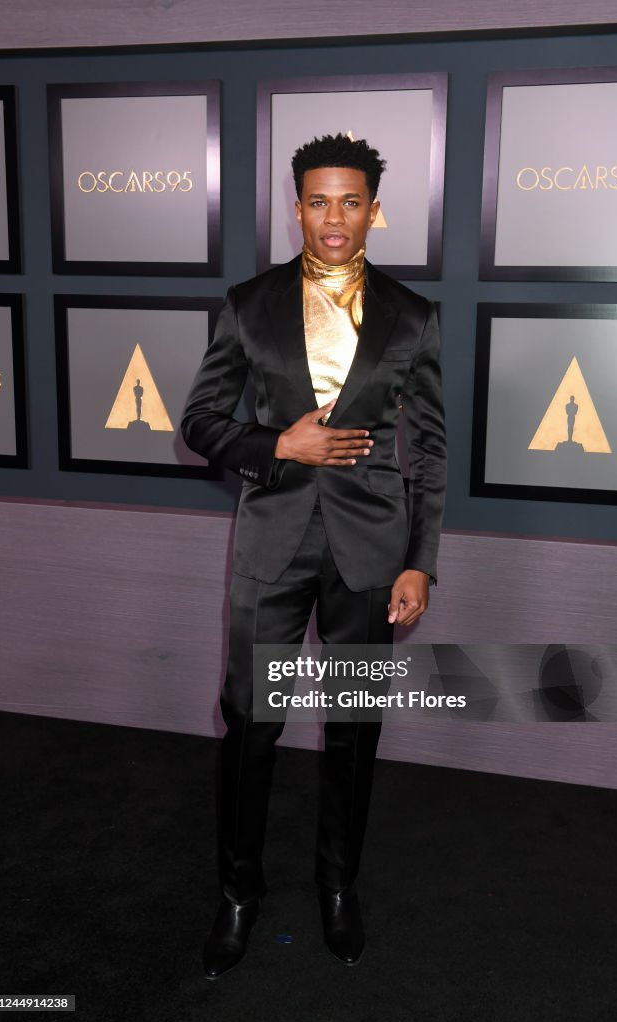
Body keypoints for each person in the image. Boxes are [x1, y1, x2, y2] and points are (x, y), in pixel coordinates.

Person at [181, 133, 447, 979]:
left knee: (353, 730)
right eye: (318, 201)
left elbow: (431, 453)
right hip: (272, 546)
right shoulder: (249, 303)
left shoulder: (413, 315)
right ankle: (237, 893)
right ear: (296, 207)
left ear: (375, 208)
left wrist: (421, 561)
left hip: (372, 552)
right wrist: (277, 443)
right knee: (251, 727)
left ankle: (338, 885)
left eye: (351, 201)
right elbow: (200, 421)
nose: (335, 217)